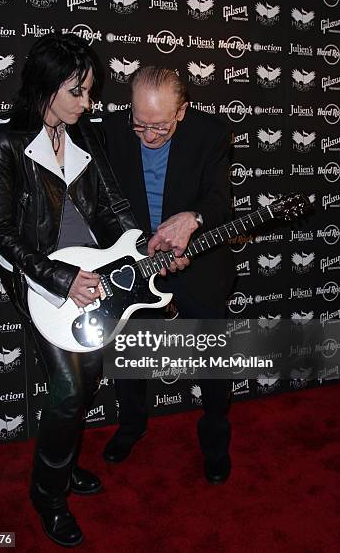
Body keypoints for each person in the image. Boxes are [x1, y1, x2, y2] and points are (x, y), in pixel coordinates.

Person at [0, 32, 137, 547]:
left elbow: (112, 206)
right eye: (78, 91)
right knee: (68, 388)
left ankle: (63, 466)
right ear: (47, 87)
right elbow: (1, 232)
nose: (87, 103)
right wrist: (59, 279)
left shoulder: (86, 134)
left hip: (94, 275)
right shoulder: (5, 141)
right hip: (40, 279)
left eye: (89, 92)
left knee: (87, 375)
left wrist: (139, 248)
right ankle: (47, 495)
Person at [100, 66, 236, 484]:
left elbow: (220, 202)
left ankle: (215, 440)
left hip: (198, 265)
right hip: (136, 263)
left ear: (182, 110)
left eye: (159, 125)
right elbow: (99, 204)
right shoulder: (109, 131)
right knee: (128, 357)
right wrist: (140, 248)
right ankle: (132, 425)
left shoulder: (210, 135)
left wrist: (191, 221)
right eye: (139, 123)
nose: (148, 135)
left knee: (212, 362)